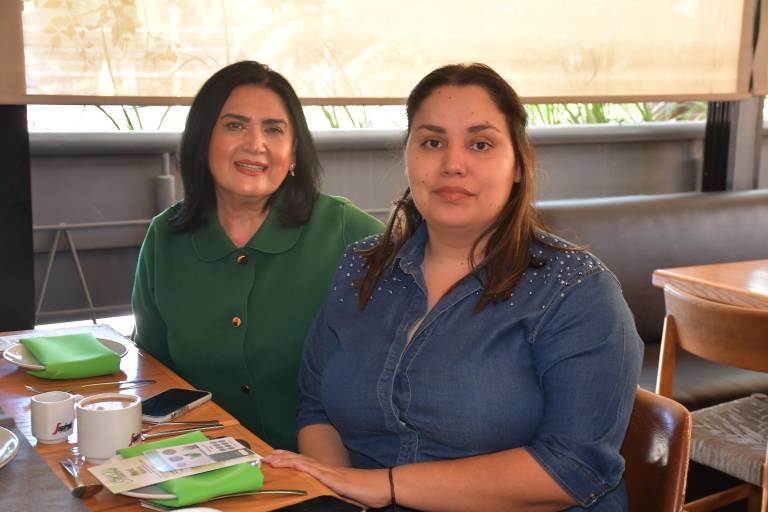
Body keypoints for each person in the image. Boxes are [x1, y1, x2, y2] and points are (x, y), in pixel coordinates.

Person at [264, 63, 643, 511]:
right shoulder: (361, 267)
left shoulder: (577, 291)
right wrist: (343, 493)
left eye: (480, 144)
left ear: (519, 164)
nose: (453, 164)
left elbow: (574, 466)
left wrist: (383, 485)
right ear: (407, 156)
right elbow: (317, 409)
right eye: (432, 142)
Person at [131, 61, 383, 451]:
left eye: (274, 129)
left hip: (326, 475)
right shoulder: (165, 237)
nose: (255, 144)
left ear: (294, 150)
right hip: (201, 472)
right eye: (235, 125)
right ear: (202, 141)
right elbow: (154, 374)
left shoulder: (347, 231)